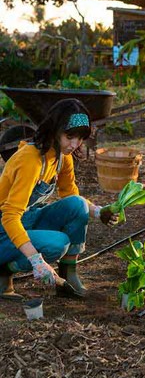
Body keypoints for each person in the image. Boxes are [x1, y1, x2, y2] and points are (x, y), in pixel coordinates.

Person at [0, 99, 120, 299]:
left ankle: (69, 274)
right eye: (70, 136)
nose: (75, 144)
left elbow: (70, 194)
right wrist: (36, 260)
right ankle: (4, 270)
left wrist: (98, 212)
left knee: (77, 204)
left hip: (26, 219)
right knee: (57, 244)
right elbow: (10, 216)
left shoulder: (61, 156)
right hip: (4, 228)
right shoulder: (31, 160)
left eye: (80, 138)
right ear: (54, 130)